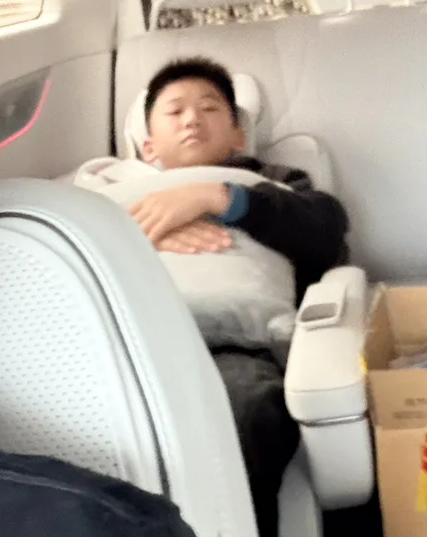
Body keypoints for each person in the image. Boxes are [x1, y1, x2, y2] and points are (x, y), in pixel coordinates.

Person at [127, 57, 349, 537]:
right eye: (175, 111)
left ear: (238, 137)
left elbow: (326, 232)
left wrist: (219, 199)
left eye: (210, 108)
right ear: (148, 146)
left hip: (237, 347)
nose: (192, 119)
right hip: (127, 348)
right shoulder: (109, 187)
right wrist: (144, 227)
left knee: (239, 416)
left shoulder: (274, 182)